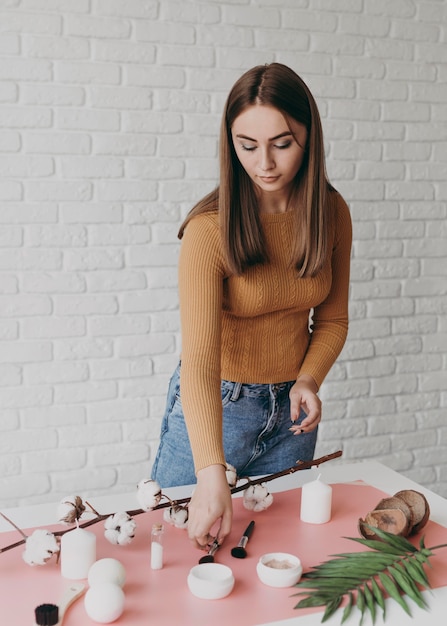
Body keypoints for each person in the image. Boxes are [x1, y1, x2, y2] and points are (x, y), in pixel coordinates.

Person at [151, 63, 352, 551]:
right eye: (247, 145)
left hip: (291, 417)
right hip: (215, 409)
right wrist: (210, 467)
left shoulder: (331, 213)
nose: (263, 162)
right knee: (179, 552)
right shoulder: (209, 230)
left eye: (282, 143)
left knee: (273, 552)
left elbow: (332, 319)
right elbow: (200, 359)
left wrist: (308, 379)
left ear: (309, 138)